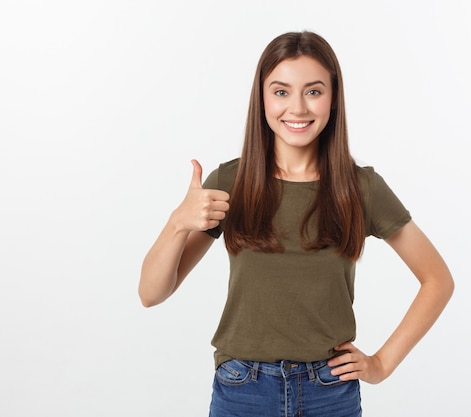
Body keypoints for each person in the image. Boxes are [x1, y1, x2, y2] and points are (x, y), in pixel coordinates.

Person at [139, 30, 454, 417]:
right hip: (243, 390)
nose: (298, 108)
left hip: (330, 391)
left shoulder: (361, 188)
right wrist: (177, 223)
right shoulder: (229, 183)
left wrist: (382, 364)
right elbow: (151, 293)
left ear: (333, 98)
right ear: (263, 99)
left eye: (314, 91)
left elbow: (437, 279)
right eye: (282, 91)